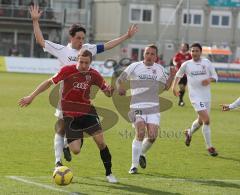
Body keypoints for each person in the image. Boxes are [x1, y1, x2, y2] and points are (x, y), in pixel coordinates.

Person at [29, 4, 138, 167]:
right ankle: (58, 161)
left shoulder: (88, 49)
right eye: (78, 38)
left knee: (75, 129)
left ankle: (68, 144)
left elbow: (107, 45)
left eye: (83, 38)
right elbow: (40, 41)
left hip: (83, 99)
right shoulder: (61, 50)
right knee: (60, 128)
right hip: (65, 98)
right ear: (71, 37)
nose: (81, 41)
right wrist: (35, 21)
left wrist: (126, 37)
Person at [19, 49, 118, 183]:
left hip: (87, 111)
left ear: (90, 63)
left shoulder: (94, 74)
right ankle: (77, 137)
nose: (83, 65)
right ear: (77, 60)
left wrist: (111, 90)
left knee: (100, 142)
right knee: (76, 150)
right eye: (81, 62)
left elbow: (107, 92)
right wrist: (31, 96)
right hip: (70, 114)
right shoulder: (67, 70)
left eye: (86, 63)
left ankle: (109, 173)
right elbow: (49, 82)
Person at [116, 44, 176, 174]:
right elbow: (120, 79)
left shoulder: (159, 69)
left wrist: (172, 76)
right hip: (136, 106)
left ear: (156, 57)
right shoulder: (135, 66)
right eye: (147, 53)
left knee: (153, 136)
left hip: (153, 107)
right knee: (141, 132)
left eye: (152, 54)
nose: (149, 56)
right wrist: (120, 87)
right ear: (144, 54)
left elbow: (166, 87)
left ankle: (141, 153)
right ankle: (133, 166)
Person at [172, 43, 218, 156]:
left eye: (196, 51)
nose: (194, 53)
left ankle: (189, 132)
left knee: (201, 121)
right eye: (192, 51)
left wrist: (209, 80)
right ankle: (209, 147)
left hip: (206, 96)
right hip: (195, 97)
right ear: (190, 52)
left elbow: (215, 77)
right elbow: (178, 75)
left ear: (200, 52)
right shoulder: (187, 64)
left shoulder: (206, 63)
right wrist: (174, 87)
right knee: (206, 120)